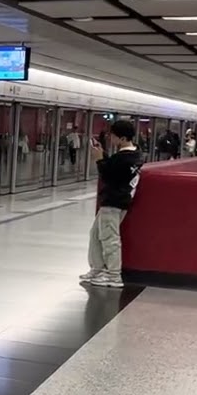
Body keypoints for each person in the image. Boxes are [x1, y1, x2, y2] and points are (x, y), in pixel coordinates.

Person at [81, 119, 143, 289]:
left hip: (113, 202)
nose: (110, 138)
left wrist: (99, 160)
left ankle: (114, 275)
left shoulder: (123, 158)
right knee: (95, 234)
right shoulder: (135, 155)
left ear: (122, 138)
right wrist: (104, 156)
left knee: (110, 238)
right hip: (119, 200)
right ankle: (97, 268)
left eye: (113, 136)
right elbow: (116, 170)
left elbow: (109, 177)